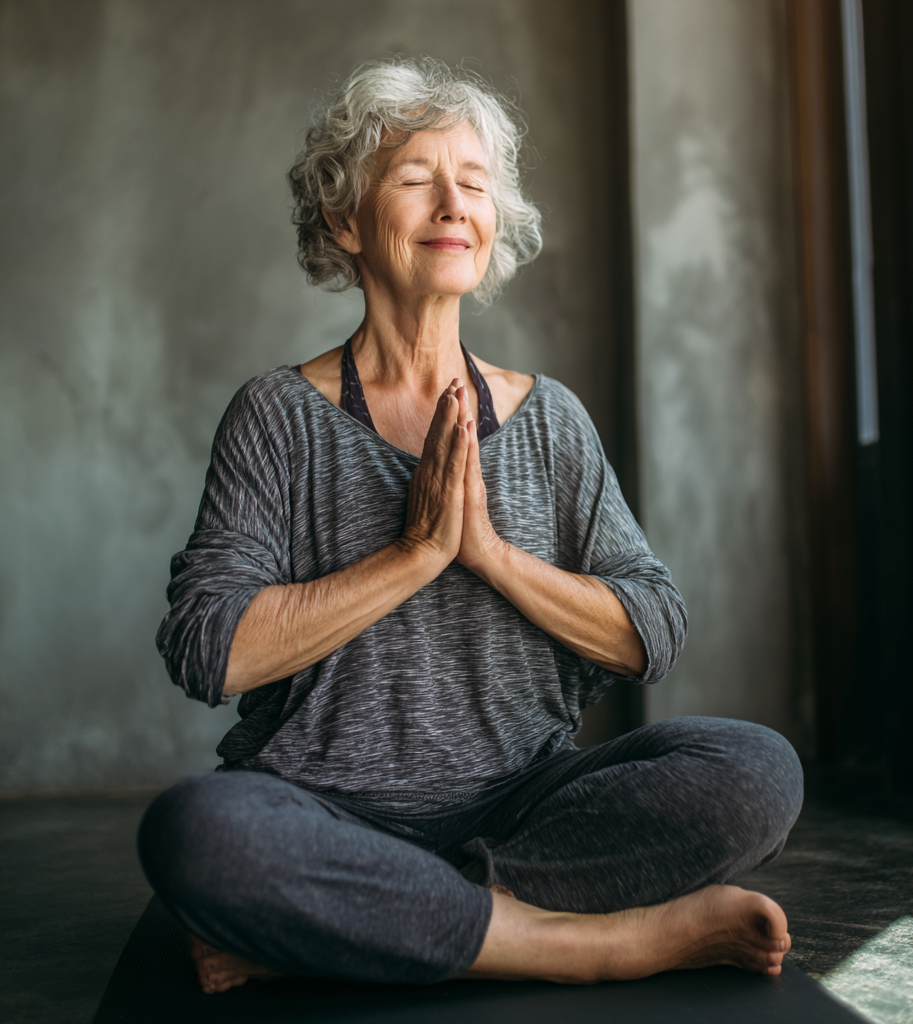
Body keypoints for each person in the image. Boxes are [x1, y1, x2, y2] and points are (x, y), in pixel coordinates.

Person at [138, 56, 803, 995]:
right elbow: (213, 651)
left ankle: (352, 928)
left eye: (475, 183)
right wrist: (414, 557)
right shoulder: (276, 416)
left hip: (524, 809)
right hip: (321, 810)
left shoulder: (551, 420)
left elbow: (650, 629)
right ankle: (591, 944)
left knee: (756, 767)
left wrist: (489, 556)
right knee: (197, 833)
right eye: (415, 181)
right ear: (345, 222)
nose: (454, 203)